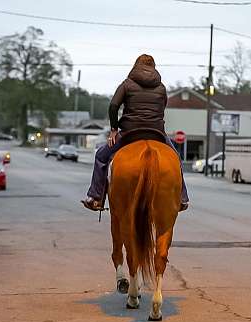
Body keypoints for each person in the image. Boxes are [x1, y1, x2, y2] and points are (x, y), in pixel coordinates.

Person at [81, 54, 189, 212]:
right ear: (153, 67)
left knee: (101, 156)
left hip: (130, 132)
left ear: (136, 66)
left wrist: (113, 130)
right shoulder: (161, 88)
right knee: (176, 158)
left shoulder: (127, 84)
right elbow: (162, 108)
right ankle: (181, 197)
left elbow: (113, 106)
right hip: (156, 132)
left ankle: (96, 197)